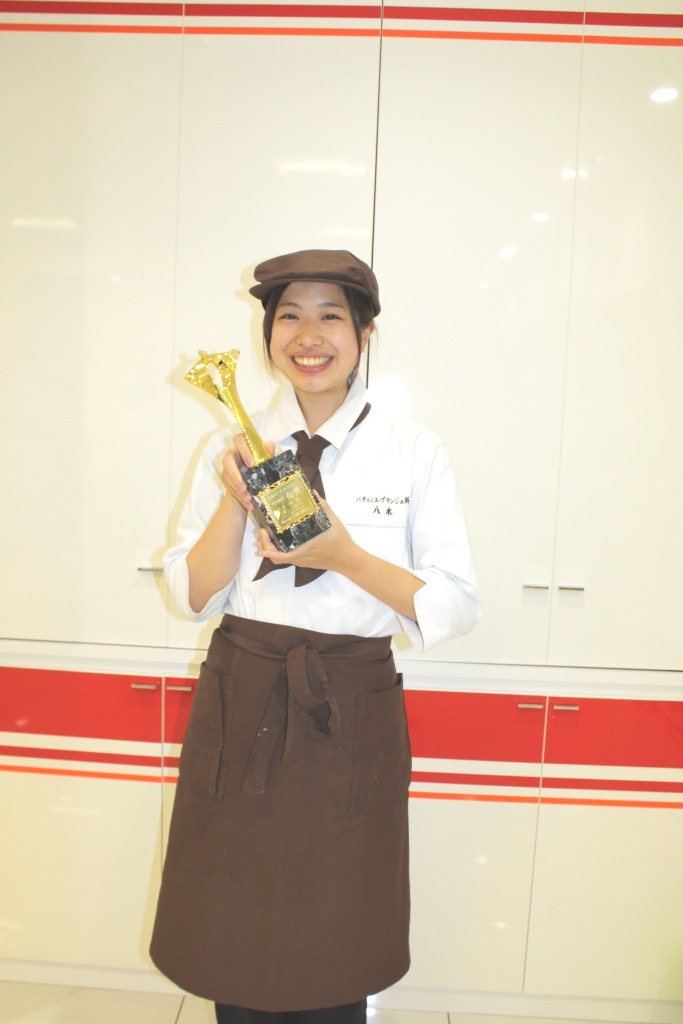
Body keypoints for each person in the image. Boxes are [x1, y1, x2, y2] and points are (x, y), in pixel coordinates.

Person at [150, 250, 482, 1024]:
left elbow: (456, 604)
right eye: (289, 316)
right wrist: (235, 497)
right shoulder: (229, 446)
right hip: (242, 696)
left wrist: (342, 556)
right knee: (233, 925)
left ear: (364, 334)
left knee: (337, 932)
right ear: (268, 334)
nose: (308, 334)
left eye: (330, 315)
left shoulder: (412, 449)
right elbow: (192, 595)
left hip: (349, 705)